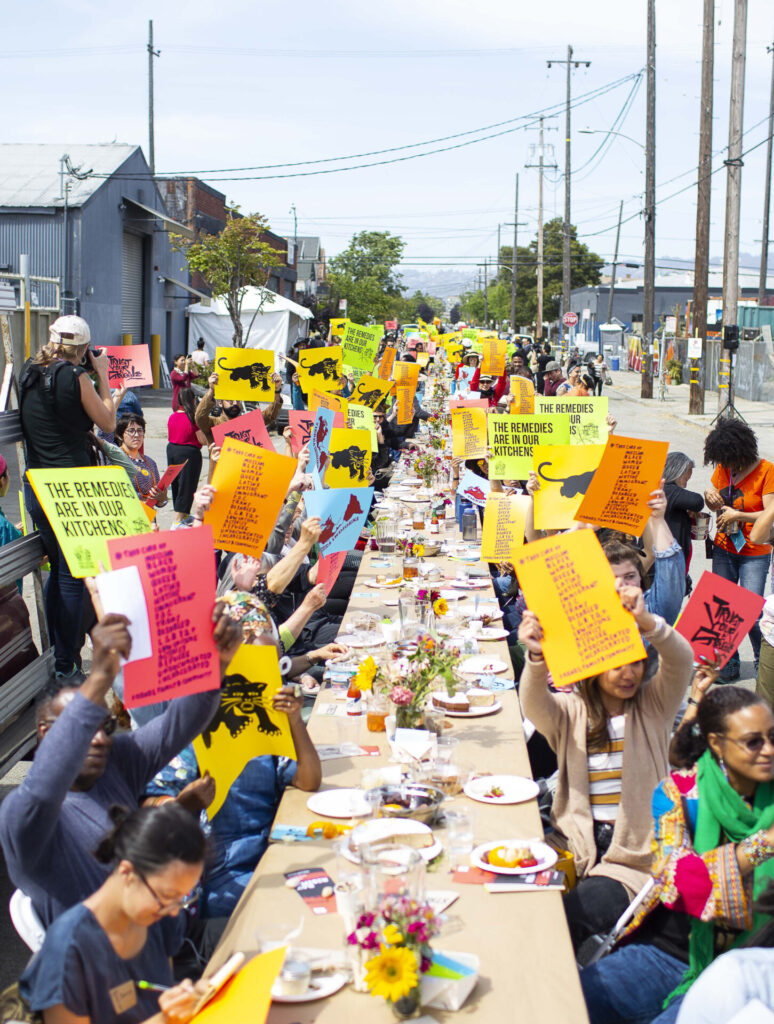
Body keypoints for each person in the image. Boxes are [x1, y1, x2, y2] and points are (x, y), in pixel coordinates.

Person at [0, 606, 241, 927]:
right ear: (45, 731)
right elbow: (45, 784)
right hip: (110, 969)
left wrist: (218, 663)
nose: (99, 739)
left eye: (107, 727)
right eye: (86, 728)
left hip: (164, 937)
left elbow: (178, 725)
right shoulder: (25, 815)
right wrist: (100, 675)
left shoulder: (116, 761)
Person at [581, 686, 774, 1024]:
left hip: (750, 968)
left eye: (773, 737)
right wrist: (763, 844)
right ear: (717, 744)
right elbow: (681, 882)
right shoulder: (680, 792)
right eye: (753, 741)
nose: (769, 750)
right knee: (573, 999)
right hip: (670, 952)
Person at [518, 586, 694, 953]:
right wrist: (536, 655)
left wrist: (647, 621)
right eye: (617, 664)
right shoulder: (571, 710)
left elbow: (680, 659)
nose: (629, 673)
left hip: (634, 857)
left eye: (636, 662)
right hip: (573, 844)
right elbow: (534, 704)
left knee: (566, 919)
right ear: (595, 667)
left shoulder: (654, 707)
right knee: (522, 905)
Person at [18, 803, 209, 1024]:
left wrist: (188, 997)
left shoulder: (155, 916)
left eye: (183, 898)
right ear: (127, 872)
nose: (175, 911)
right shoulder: (69, 948)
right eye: (167, 896)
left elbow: (157, 998)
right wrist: (165, 1020)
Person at [19, 315, 115, 676]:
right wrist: (101, 374)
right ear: (84, 349)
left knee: (57, 569)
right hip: (72, 488)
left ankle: (60, 657)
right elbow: (107, 421)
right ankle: (65, 662)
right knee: (75, 575)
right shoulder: (75, 377)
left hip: (37, 486)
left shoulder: (28, 372)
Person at [704, 419, 774, 682]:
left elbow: (770, 514)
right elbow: (717, 504)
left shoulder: (767, 471)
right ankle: (728, 663)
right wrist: (710, 498)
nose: (726, 467)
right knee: (724, 607)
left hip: (755, 551)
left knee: (754, 609)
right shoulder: (723, 468)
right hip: (724, 546)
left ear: (743, 452)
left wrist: (738, 515)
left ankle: (762, 659)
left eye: (730, 461)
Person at [663, 452, 704, 580]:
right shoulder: (669, 490)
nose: (685, 485)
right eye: (685, 479)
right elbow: (697, 501)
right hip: (668, 564)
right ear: (677, 473)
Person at [167, 388, 206, 523]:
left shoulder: (172, 416)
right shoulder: (192, 418)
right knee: (187, 485)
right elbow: (202, 440)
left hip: (172, 450)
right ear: (193, 400)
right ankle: (178, 520)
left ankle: (181, 515)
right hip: (189, 452)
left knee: (176, 484)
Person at [116, 414, 168, 506]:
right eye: (131, 431)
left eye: (140, 431)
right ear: (120, 436)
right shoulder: (115, 459)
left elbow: (158, 502)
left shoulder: (150, 463)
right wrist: (141, 500)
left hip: (148, 517)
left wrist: (162, 499)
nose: (136, 435)